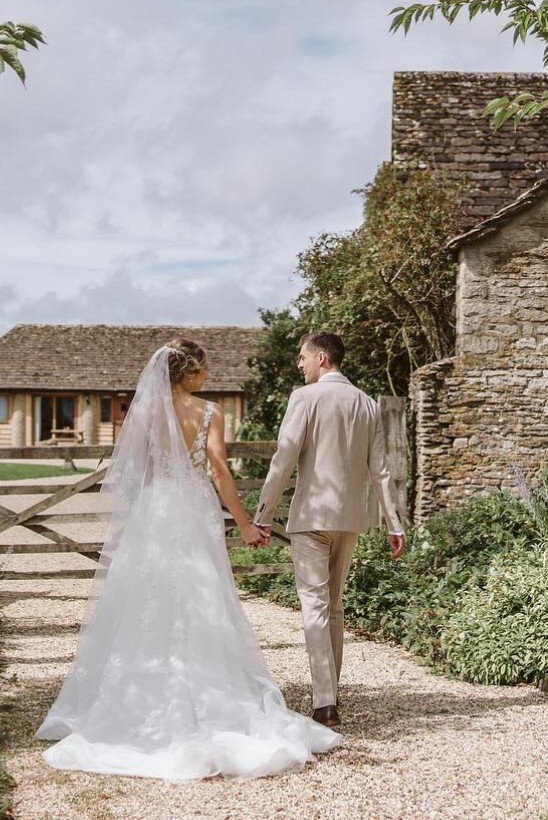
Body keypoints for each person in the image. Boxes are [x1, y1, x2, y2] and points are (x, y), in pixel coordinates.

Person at [36, 337, 342, 780]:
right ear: (190, 373)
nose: (209, 376)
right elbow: (218, 470)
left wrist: (146, 506)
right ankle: (209, 688)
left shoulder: (142, 411)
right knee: (203, 592)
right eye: (204, 369)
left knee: (146, 596)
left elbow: (134, 470)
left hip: (155, 509)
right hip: (194, 509)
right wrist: (243, 522)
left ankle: (135, 695)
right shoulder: (210, 412)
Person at [254, 332, 405, 730]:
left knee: (315, 608)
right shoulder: (367, 403)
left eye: (302, 357)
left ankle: (325, 703)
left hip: (311, 518)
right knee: (333, 607)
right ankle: (330, 698)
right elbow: (381, 470)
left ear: (322, 358)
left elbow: (283, 458)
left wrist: (264, 513)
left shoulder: (304, 399)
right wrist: (394, 522)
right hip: (350, 519)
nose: (299, 364)